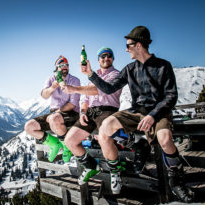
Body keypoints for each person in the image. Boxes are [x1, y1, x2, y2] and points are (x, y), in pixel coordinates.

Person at [80, 26, 193, 202]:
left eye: (128, 45)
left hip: (159, 112)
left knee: (164, 139)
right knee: (106, 126)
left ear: (138, 45)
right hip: (136, 112)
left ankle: (176, 179)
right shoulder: (129, 69)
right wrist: (91, 74)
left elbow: (171, 96)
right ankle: (134, 146)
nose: (126, 49)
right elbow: (109, 89)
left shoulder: (163, 66)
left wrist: (152, 116)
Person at [62, 47, 122, 190]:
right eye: (102, 56)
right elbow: (85, 99)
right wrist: (82, 112)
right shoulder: (92, 77)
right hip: (91, 112)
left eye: (109, 56)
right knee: (69, 140)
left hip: (108, 110)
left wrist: (74, 88)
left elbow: (99, 90)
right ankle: (91, 166)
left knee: (104, 138)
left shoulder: (116, 74)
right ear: (98, 59)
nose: (106, 58)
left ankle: (115, 171)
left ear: (113, 58)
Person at [24, 55, 80, 163]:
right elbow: (44, 95)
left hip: (70, 113)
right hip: (54, 113)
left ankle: (67, 148)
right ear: (56, 68)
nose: (65, 67)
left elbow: (73, 104)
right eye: (62, 65)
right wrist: (52, 88)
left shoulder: (74, 80)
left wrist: (56, 113)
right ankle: (54, 144)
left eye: (67, 65)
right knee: (29, 126)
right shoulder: (51, 79)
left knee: (54, 119)